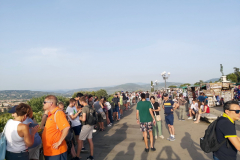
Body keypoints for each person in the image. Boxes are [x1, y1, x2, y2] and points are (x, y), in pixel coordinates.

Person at [42, 95, 70, 160]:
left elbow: (66, 127)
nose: (43, 104)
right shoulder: (51, 113)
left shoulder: (58, 113)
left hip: (57, 150)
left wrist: (59, 142)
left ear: (51, 103)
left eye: (45, 102)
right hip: (50, 151)